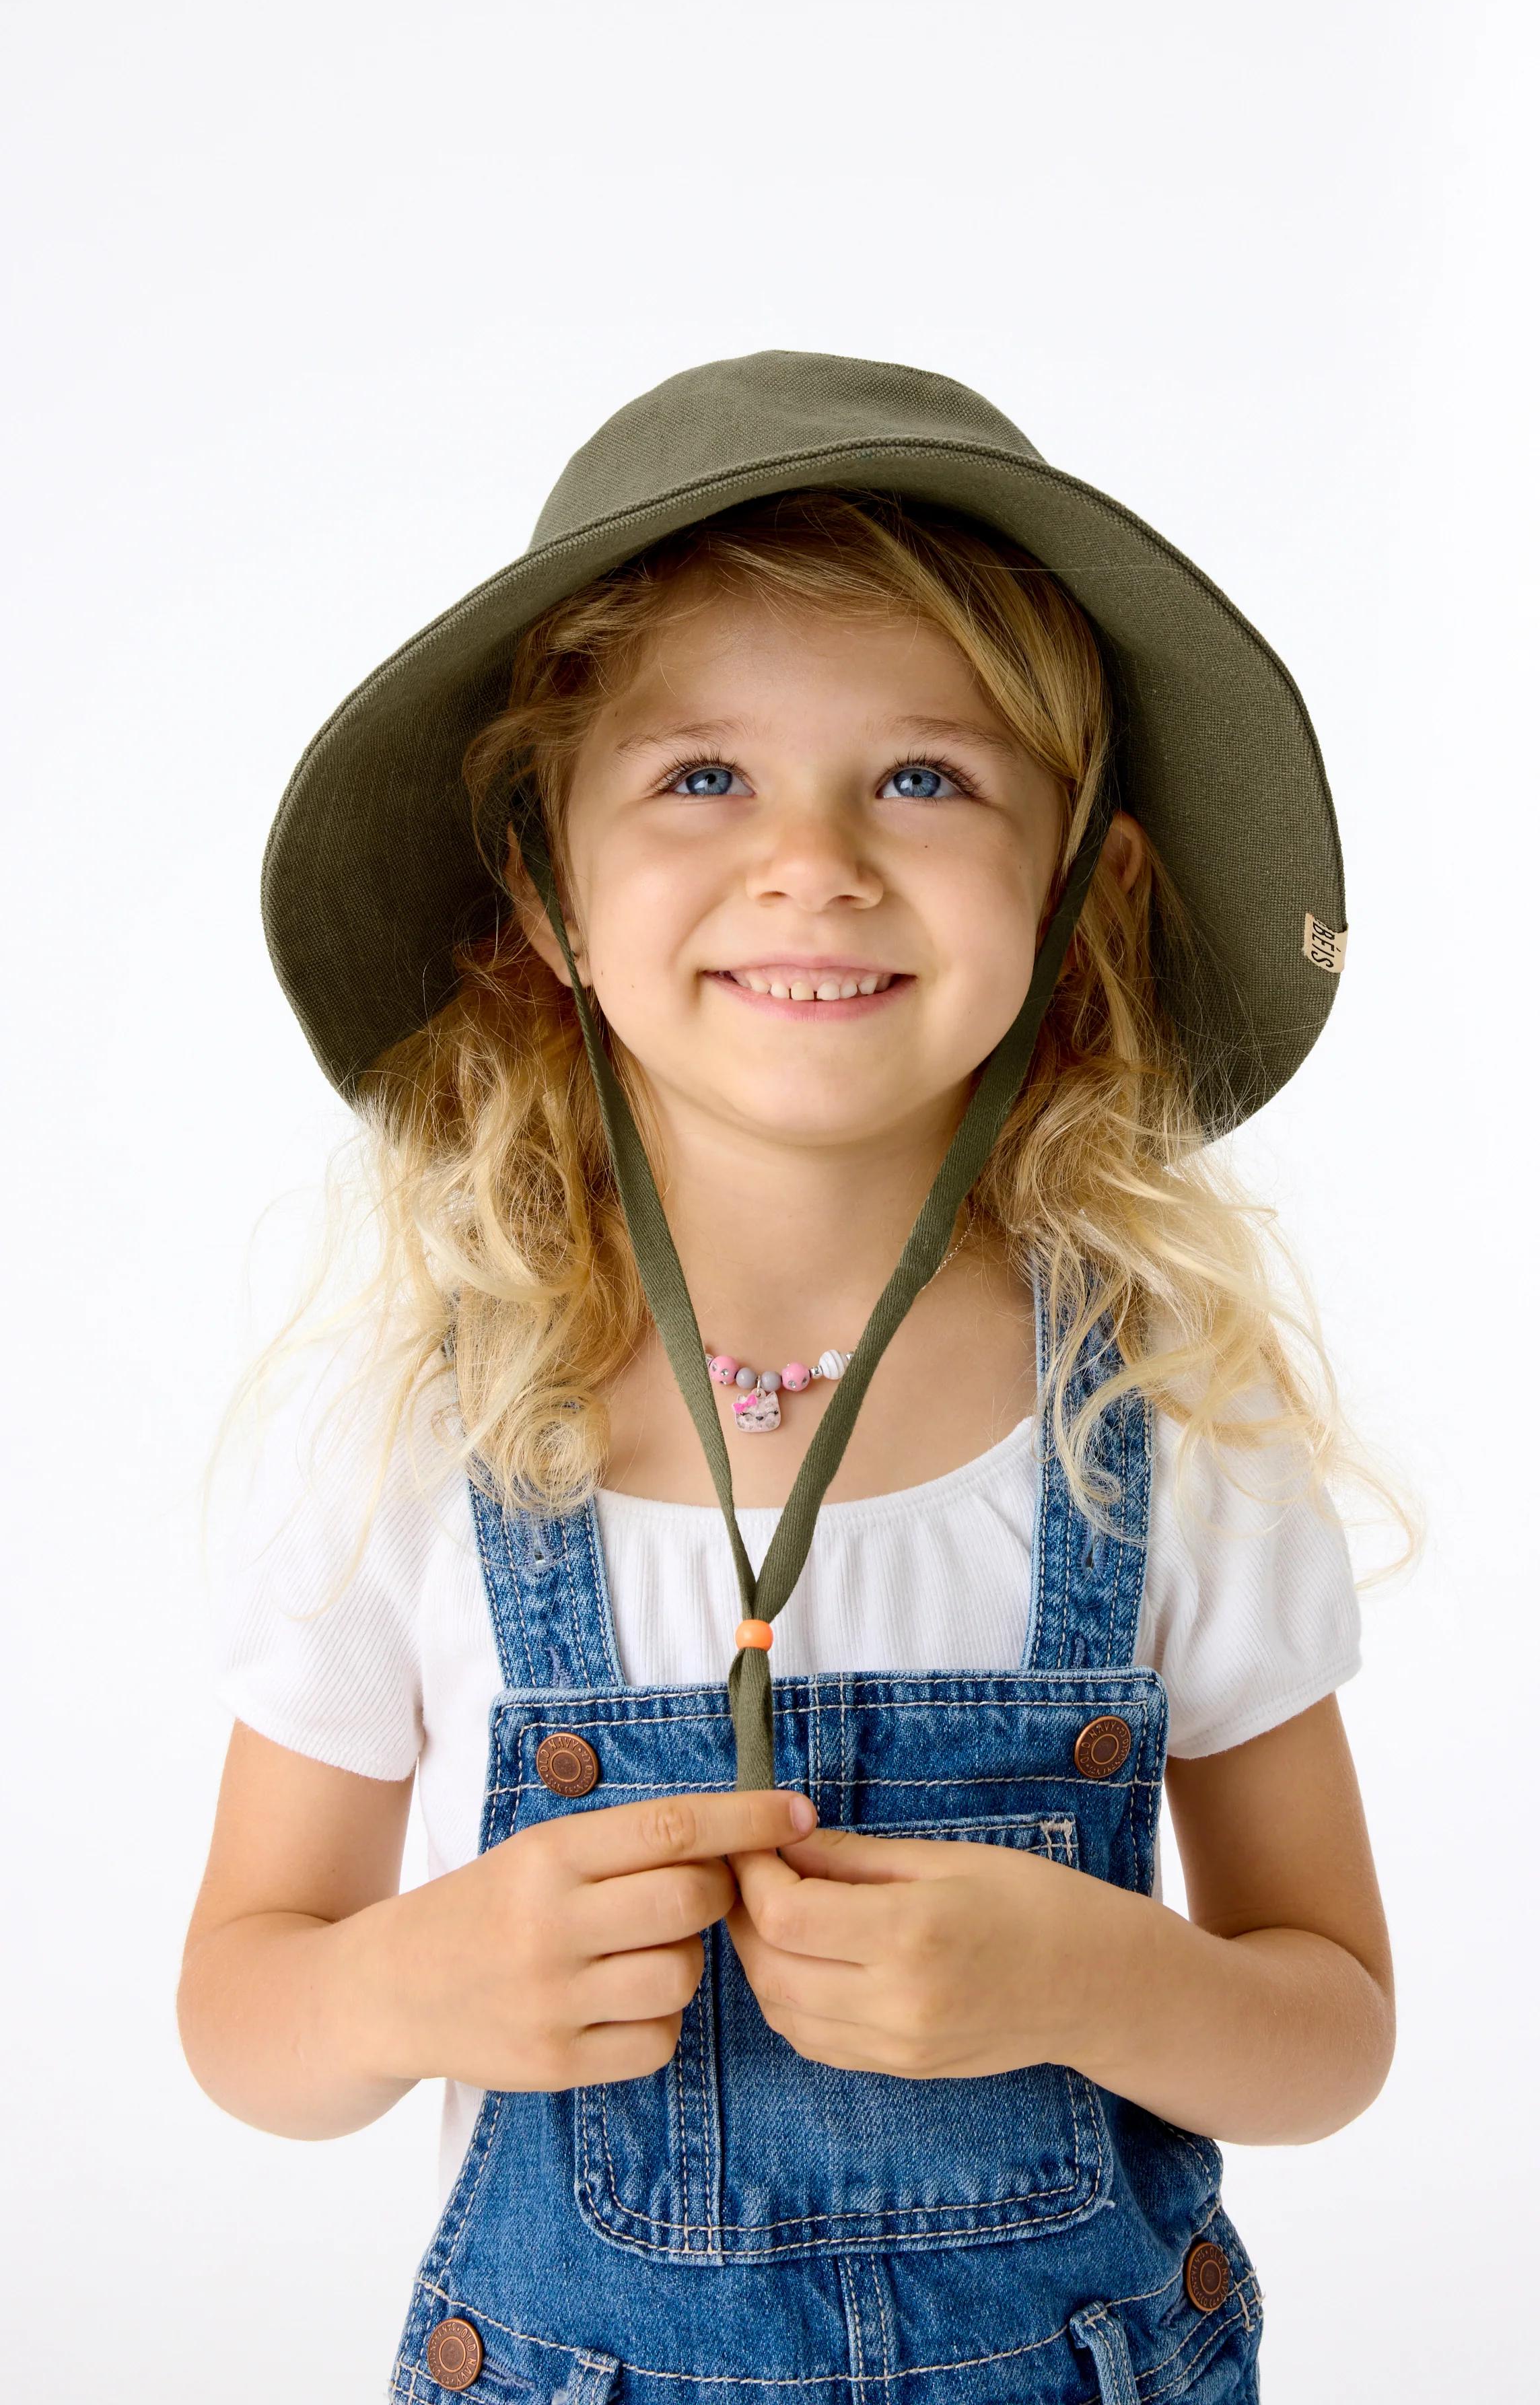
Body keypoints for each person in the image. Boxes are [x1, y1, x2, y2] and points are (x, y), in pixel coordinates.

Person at [179, 353, 1395, 2405]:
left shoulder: (1159, 1413)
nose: (810, 863)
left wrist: (1097, 1978)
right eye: (699, 779)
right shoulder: (419, 1424)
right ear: (542, 892)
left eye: (923, 778)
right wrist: (406, 1983)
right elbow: (241, 2006)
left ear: (1079, 883)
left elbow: (1331, 2028)